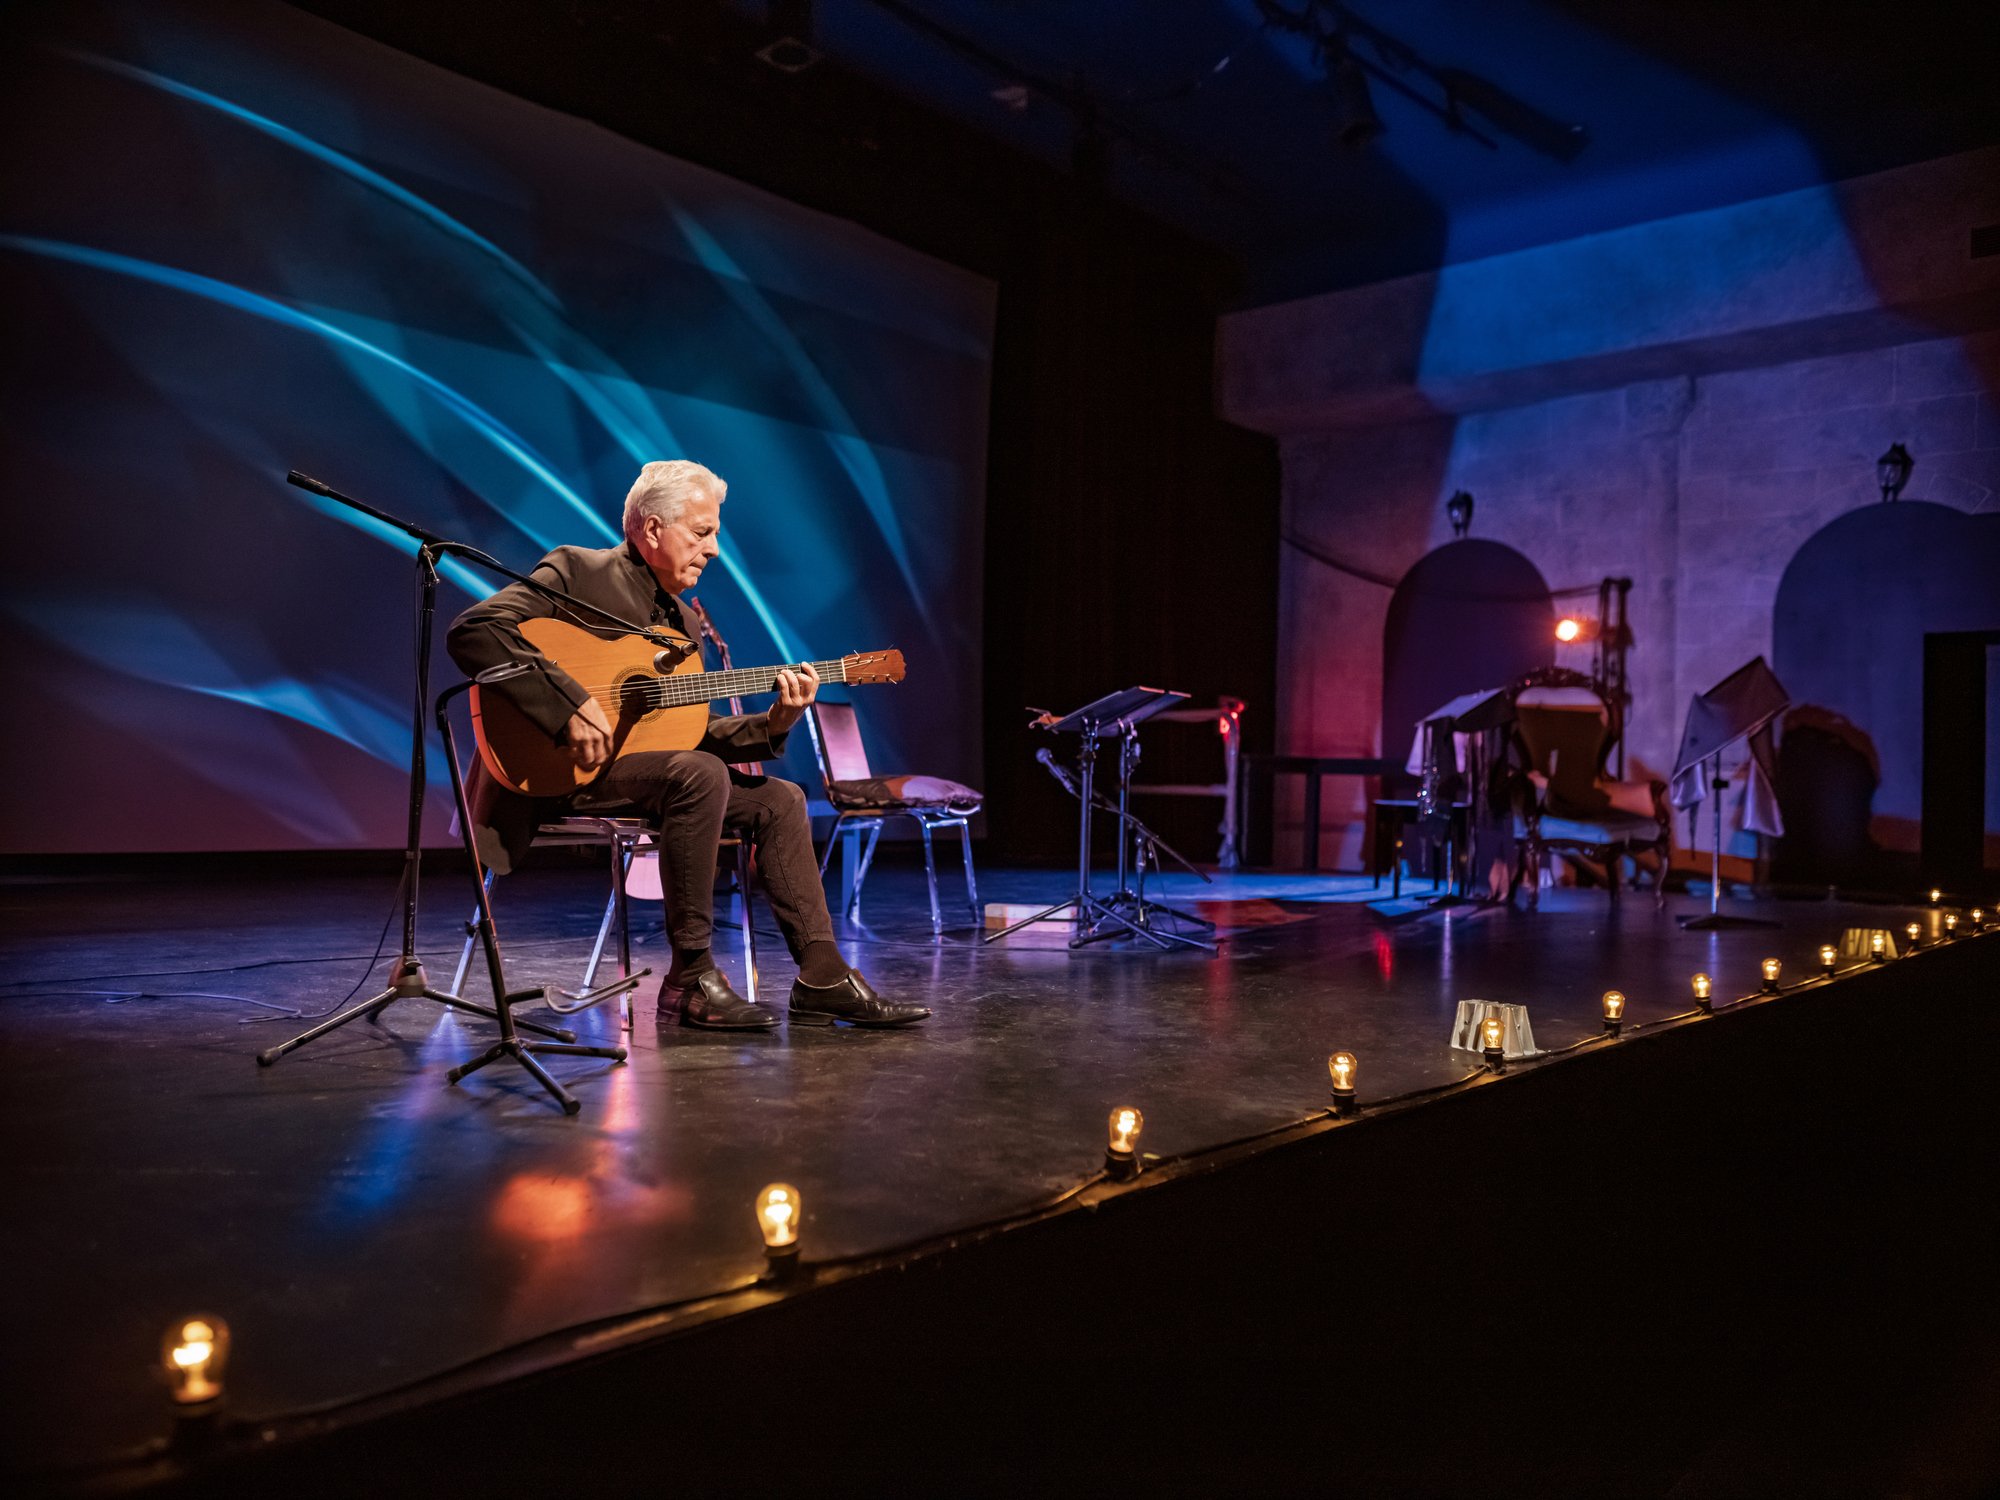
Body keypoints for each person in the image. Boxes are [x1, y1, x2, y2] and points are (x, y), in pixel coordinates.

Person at [446, 459, 928, 1031]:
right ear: (652, 529)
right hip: (555, 772)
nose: (715, 550)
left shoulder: (684, 624)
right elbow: (475, 630)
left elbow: (685, 734)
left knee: (780, 799)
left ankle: (822, 977)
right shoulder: (580, 571)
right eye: (702, 533)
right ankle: (690, 976)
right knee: (699, 774)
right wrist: (565, 703)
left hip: (644, 776)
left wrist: (776, 721)